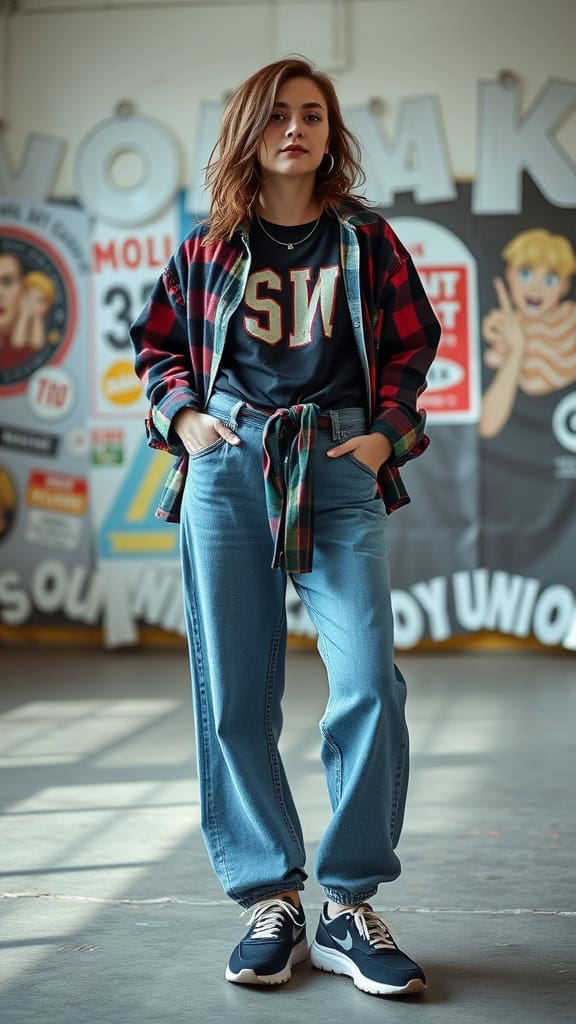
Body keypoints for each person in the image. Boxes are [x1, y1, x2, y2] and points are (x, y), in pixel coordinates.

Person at [130, 57, 440, 998]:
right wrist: (184, 420)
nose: (294, 130)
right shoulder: (211, 245)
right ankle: (273, 899)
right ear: (249, 131)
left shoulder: (367, 240)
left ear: (329, 132)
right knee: (233, 691)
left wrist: (386, 439)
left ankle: (348, 902)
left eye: (312, 115)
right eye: (276, 116)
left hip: (338, 463)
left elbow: (411, 347)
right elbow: (155, 347)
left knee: (366, 681)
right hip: (229, 464)